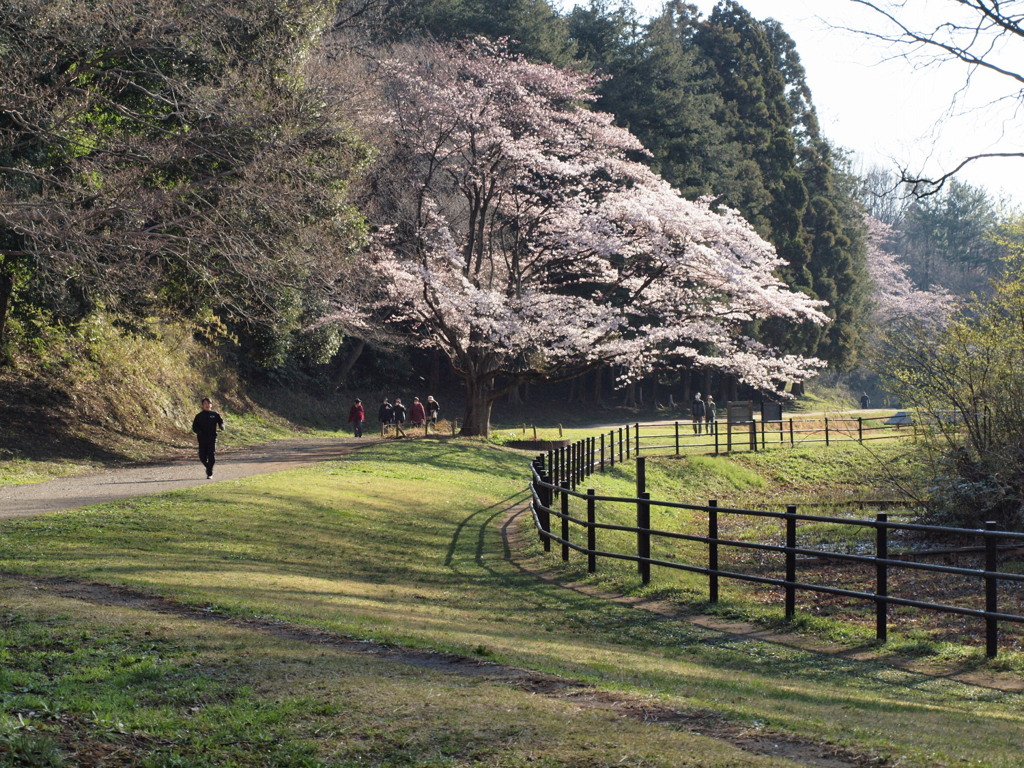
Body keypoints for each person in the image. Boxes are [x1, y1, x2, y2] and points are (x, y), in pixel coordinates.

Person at [191, 397, 224, 479]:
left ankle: (209, 473)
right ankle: (208, 468)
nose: (207, 405)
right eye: (205, 403)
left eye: (209, 403)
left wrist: (222, 426)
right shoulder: (199, 416)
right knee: (202, 457)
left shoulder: (215, 414)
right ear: (202, 405)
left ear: (211, 405)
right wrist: (198, 431)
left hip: (212, 438)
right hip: (202, 439)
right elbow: (194, 427)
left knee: (211, 457)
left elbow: (221, 421)